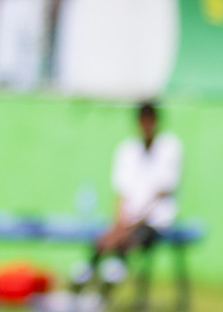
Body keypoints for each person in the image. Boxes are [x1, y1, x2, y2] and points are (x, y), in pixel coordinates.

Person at [72, 101, 183, 301]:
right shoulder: (128, 150)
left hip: (155, 222)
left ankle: (103, 291)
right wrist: (118, 223)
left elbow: (161, 193)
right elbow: (121, 193)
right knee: (104, 240)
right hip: (128, 220)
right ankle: (84, 285)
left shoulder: (170, 148)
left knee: (127, 241)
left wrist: (130, 224)